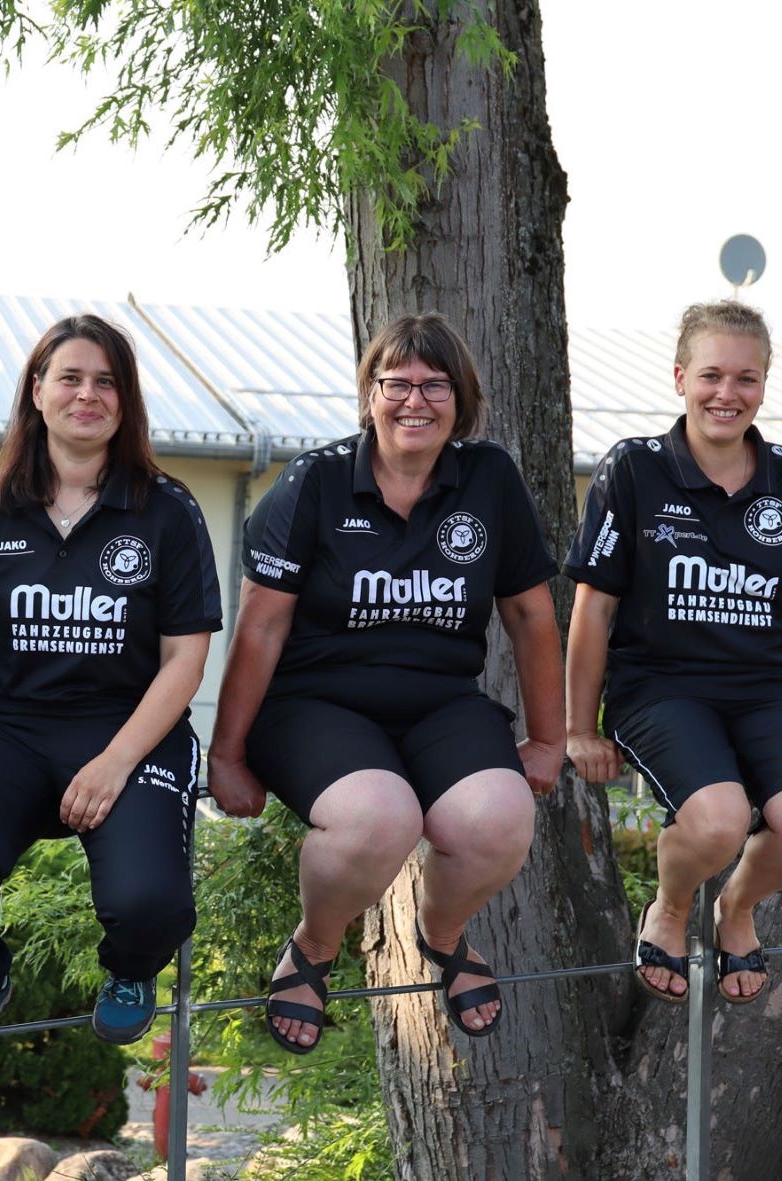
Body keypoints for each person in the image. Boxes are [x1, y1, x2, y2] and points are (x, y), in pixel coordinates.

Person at [208, 313, 564, 1051]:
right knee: (379, 819)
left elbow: (531, 615)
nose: (415, 401)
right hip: (315, 703)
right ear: (369, 393)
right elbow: (261, 625)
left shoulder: (488, 479)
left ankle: (443, 933)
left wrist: (549, 738)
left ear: (461, 400)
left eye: (436, 385)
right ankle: (315, 944)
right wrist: (228, 754)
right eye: (396, 383)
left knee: (500, 822)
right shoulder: (315, 481)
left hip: (440, 701)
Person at [0, 314, 221, 1082]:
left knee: (149, 903)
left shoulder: (167, 510)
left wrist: (115, 762)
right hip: (11, 726)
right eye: (71, 377)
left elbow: (186, 659)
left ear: (126, 399)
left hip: (131, 728)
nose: (88, 394)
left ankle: (130, 968)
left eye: (106, 381)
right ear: (37, 391)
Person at [565, 300, 782, 1005]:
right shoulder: (633, 469)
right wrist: (577, 728)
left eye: (746, 378)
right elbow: (593, 607)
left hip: (770, 691)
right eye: (712, 375)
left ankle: (737, 907)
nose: (728, 393)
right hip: (661, 688)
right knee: (718, 820)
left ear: (764, 384)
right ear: (680, 378)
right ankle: (669, 905)